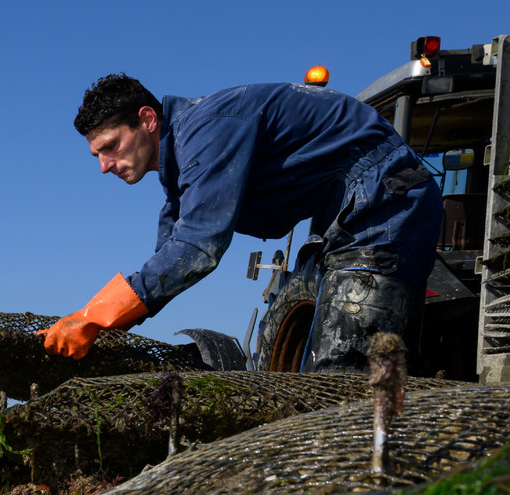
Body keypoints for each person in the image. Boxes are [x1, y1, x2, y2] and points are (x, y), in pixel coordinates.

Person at [41, 73, 443, 372]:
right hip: (345, 217)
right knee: (329, 366)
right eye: (96, 154)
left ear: (147, 119)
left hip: (384, 199)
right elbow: (168, 258)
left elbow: (198, 248)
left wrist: (93, 317)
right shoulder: (183, 175)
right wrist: (99, 324)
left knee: (339, 375)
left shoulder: (208, 128)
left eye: (110, 147)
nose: (103, 166)